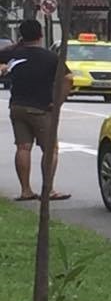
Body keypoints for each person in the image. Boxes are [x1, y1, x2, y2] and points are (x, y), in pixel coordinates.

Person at [0, 19, 73, 201]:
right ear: (41, 35)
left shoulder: (14, 55)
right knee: (50, 149)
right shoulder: (49, 57)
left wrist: (18, 45)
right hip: (41, 107)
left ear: (21, 36)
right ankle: (48, 190)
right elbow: (69, 78)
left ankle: (25, 190)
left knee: (23, 147)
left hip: (17, 106)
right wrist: (58, 102)